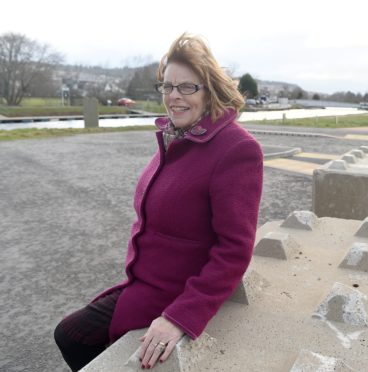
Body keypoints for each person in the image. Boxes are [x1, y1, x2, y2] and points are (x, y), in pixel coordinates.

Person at [54, 33, 264, 371]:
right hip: (144, 281)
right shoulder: (180, 135)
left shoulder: (235, 149)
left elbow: (234, 250)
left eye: (187, 87)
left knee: (72, 335)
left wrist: (181, 316)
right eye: (167, 87)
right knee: (71, 334)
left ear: (209, 89)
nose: (174, 97)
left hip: (176, 291)